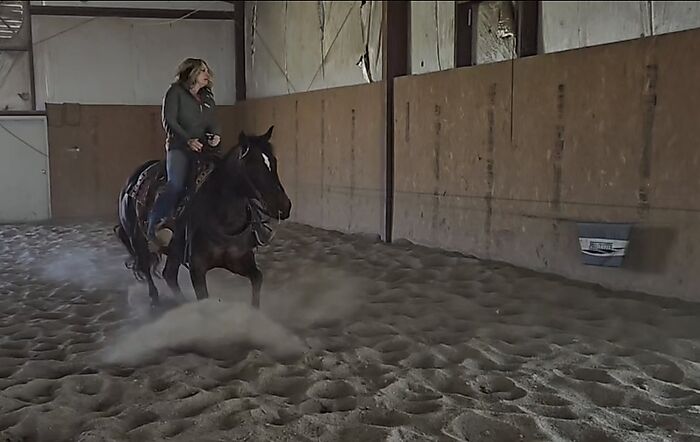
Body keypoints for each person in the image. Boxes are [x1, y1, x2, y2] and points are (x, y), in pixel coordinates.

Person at [147, 57, 221, 248]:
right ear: (192, 73)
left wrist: (216, 135)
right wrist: (187, 140)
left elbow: (213, 120)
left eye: (207, 70)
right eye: (202, 70)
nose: (207, 74)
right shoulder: (175, 92)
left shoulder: (207, 97)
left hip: (204, 147)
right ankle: (155, 225)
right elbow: (169, 120)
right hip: (179, 146)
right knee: (176, 184)